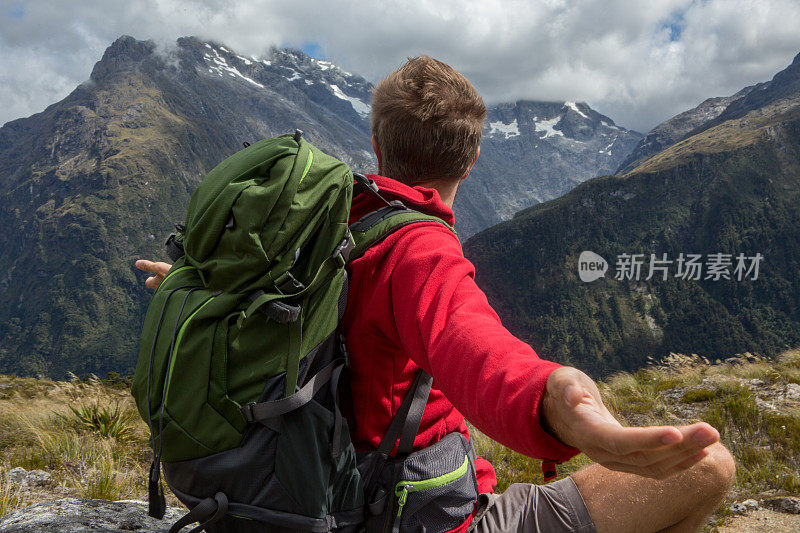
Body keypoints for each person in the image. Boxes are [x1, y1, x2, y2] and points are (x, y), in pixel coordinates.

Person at [136, 55, 735, 533]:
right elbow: (479, 353)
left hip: (279, 497)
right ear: (472, 161)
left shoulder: (313, 227)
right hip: (411, 519)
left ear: (377, 146)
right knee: (709, 467)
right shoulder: (420, 251)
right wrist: (564, 406)